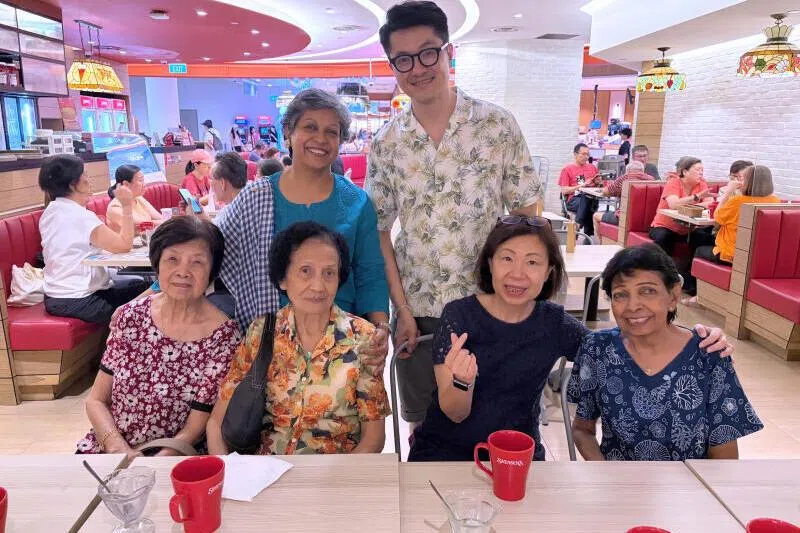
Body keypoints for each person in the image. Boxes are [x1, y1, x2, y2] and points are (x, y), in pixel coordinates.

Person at [407, 219, 735, 462]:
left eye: (533, 262)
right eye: (506, 258)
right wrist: (463, 382)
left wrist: (696, 339)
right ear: (489, 263)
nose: (517, 273)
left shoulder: (554, 323)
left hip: (517, 454)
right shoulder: (459, 317)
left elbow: (619, 349)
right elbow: (454, 413)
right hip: (443, 451)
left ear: (550, 271)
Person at [367, 0, 543, 427]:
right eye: (403, 59)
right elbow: (379, 233)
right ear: (393, 65)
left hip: (493, 306)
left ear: (449, 52)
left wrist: (521, 298)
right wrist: (402, 310)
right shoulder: (387, 143)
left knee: (500, 421)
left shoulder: (496, 125)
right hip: (420, 313)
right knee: (426, 427)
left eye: (429, 51)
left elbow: (526, 216)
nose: (418, 67)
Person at [206, 222, 390, 455]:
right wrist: (230, 473)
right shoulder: (262, 331)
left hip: (334, 476)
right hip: (264, 474)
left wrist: (334, 488)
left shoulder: (363, 337)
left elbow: (373, 440)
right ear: (282, 279)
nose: (318, 285)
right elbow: (215, 423)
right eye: (305, 271)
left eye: (329, 273)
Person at [568, 244, 762, 461]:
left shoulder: (708, 354)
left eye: (648, 291)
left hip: (688, 489)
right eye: (620, 295)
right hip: (619, 487)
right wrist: (608, 478)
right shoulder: (597, 349)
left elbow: (724, 454)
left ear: (673, 295)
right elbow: (582, 429)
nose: (633, 306)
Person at [77, 216, 241, 455]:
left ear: (212, 272)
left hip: (175, 455)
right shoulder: (130, 317)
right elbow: (95, 400)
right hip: (111, 447)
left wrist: (152, 463)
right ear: (157, 264)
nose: (183, 271)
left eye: (197, 263)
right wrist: (115, 445)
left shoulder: (223, 336)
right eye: (172, 259)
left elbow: (195, 427)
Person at [269, 88, 389, 335]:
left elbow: (370, 274)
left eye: (331, 132)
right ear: (288, 134)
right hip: (276, 341)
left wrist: (380, 329)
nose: (321, 139)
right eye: (310, 127)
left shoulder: (357, 202)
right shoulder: (260, 197)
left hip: (345, 341)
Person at [38, 155, 148, 325]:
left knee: (136, 284)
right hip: (80, 300)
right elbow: (124, 246)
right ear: (73, 184)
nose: (89, 180)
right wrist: (126, 205)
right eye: (85, 175)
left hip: (55, 298)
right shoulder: (80, 216)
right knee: (146, 297)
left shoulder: (50, 211)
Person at [695, 164, 780, 265]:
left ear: (748, 182)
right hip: (756, 255)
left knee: (699, 249)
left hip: (731, 254)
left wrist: (728, 191)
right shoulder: (775, 201)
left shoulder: (738, 201)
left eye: (743, 179)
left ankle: (689, 280)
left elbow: (717, 217)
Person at [648, 157, 713, 258]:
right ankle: (664, 270)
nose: (701, 173)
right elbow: (673, 205)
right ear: (685, 172)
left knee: (704, 237)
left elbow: (710, 204)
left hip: (688, 230)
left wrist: (685, 206)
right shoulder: (674, 182)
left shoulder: (702, 184)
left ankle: (690, 272)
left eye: (702, 170)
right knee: (664, 237)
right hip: (664, 227)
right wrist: (696, 198)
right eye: (697, 170)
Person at [591, 160, 654, 237]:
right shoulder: (652, 180)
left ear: (627, 171)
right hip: (647, 220)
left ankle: (601, 245)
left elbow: (605, 192)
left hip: (625, 218)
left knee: (596, 216)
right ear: (643, 170)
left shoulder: (624, 179)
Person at [559, 143, 601, 235]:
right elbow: (564, 190)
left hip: (592, 199)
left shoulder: (592, 167)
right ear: (575, 154)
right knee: (587, 199)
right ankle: (586, 232)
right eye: (583, 154)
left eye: (588, 154)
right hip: (574, 200)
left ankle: (578, 226)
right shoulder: (567, 169)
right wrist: (581, 186)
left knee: (589, 199)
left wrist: (598, 182)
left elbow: (600, 186)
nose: (586, 157)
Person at [106, 164, 162, 232]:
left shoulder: (139, 198)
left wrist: (167, 221)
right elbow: (142, 225)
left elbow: (159, 217)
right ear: (126, 184)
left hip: (146, 239)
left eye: (143, 180)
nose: (144, 184)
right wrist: (166, 222)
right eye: (140, 180)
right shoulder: (115, 207)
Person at [210, 152, 248, 225]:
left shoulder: (228, 217)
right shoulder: (247, 204)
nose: (210, 183)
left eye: (211, 179)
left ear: (222, 183)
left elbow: (213, 234)